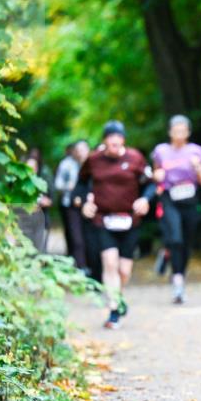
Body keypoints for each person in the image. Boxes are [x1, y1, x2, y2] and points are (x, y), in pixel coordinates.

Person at [78, 120, 157, 329]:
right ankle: (113, 310)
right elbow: (81, 183)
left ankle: (118, 297)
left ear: (123, 140)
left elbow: (151, 184)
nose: (114, 141)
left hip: (130, 221)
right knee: (110, 263)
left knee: (124, 271)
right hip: (103, 219)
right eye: (110, 137)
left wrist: (145, 200)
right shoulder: (94, 160)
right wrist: (85, 201)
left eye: (118, 137)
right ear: (105, 140)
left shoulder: (135, 158)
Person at [151, 115, 201, 304]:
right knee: (176, 238)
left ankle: (177, 270)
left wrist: (198, 167)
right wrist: (157, 176)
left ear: (188, 132)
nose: (179, 134)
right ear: (170, 132)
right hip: (169, 198)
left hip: (190, 199)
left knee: (186, 242)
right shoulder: (161, 151)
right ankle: (177, 281)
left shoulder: (196, 151)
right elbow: (155, 177)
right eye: (176, 130)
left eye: (183, 130)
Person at [54, 139, 91, 272]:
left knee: (88, 236)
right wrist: (68, 187)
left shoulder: (94, 163)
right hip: (70, 205)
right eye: (78, 150)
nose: (81, 153)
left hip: (89, 204)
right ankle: (80, 266)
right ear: (74, 152)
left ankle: (90, 266)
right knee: (75, 237)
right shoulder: (66, 164)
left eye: (83, 150)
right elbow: (57, 184)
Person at [15, 147, 53, 253]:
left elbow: (51, 200)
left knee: (40, 251)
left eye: (33, 167)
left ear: (37, 169)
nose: (31, 170)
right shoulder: (18, 184)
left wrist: (42, 202)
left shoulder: (43, 183)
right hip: (24, 221)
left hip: (41, 221)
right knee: (24, 250)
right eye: (28, 168)